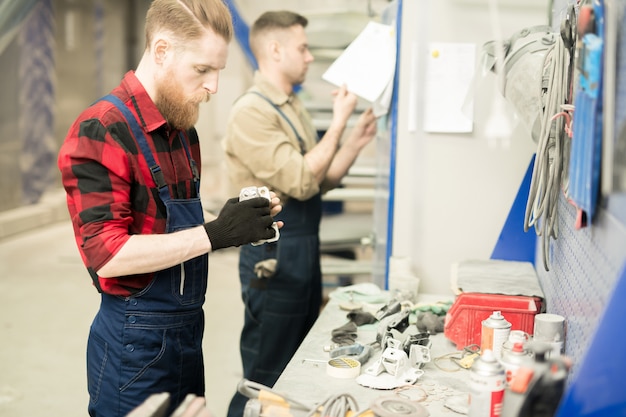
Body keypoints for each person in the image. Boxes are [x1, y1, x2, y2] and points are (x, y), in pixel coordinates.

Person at [57, 1, 282, 416]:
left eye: (219, 71)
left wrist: (238, 222)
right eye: (202, 70)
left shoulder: (182, 132)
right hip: (133, 346)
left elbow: (175, 233)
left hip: (186, 334)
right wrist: (215, 233)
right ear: (162, 52)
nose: (213, 86)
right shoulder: (103, 128)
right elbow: (107, 255)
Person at [221, 10, 378, 417]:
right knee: (265, 373)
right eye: (302, 48)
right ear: (275, 50)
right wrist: (340, 121)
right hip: (274, 255)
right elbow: (301, 180)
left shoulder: (291, 105)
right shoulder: (252, 112)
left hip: (302, 247)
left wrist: (353, 143)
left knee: (297, 364)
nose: (309, 57)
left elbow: (318, 182)